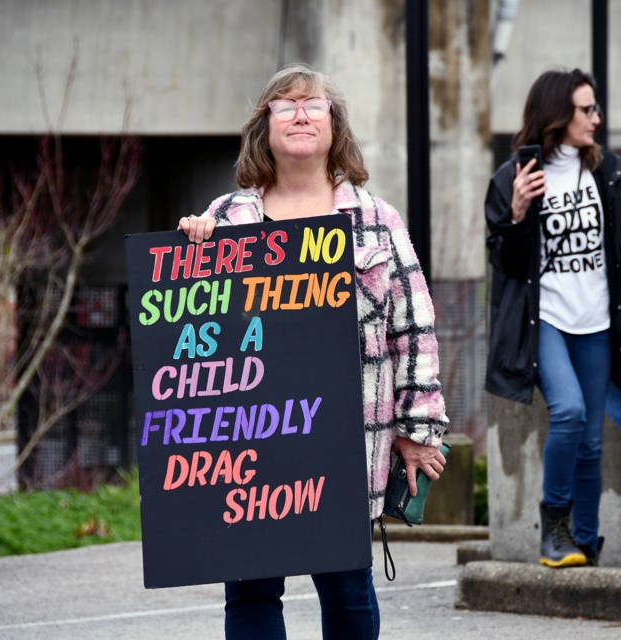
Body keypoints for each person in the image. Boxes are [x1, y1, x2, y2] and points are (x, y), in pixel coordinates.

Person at [178, 64, 449, 639]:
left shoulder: (376, 220)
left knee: (349, 593)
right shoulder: (226, 218)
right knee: (250, 593)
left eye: (314, 104)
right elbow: (192, 336)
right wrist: (189, 254)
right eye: (285, 104)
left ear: (334, 124)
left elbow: (414, 327)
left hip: (347, 443)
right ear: (265, 125)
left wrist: (418, 429)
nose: (300, 113)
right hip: (251, 444)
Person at [484, 68, 621, 569]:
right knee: (571, 413)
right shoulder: (514, 179)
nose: (596, 118)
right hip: (547, 319)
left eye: (596, 108)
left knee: (593, 440)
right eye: (587, 109)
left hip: (597, 319)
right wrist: (515, 216)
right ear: (558, 114)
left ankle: (586, 540)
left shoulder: (609, 173)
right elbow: (506, 265)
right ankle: (553, 528)